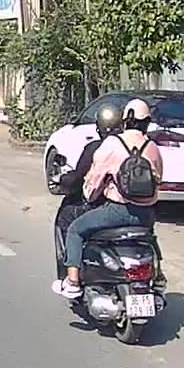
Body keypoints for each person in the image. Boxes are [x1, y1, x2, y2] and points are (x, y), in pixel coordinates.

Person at [53, 98, 164, 299]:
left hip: (116, 211)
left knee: (75, 229)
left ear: (125, 120)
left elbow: (94, 180)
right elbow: (158, 180)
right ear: (147, 122)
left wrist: (90, 197)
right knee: (149, 236)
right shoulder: (153, 147)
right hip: (146, 214)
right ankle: (158, 277)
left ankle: (73, 282)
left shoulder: (113, 144)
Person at [52, 104, 123, 271]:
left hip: (105, 206)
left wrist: (63, 180)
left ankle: (70, 273)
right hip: (137, 209)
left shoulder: (97, 148)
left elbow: (81, 179)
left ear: (99, 127)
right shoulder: (135, 146)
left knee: (67, 219)